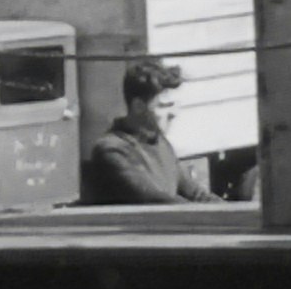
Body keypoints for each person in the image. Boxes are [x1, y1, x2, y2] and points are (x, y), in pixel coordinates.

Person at [81, 57, 213, 206]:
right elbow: (160, 202)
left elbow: (196, 194)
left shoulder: (160, 143)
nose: (174, 113)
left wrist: (237, 212)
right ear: (138, 106)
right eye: (164, 106)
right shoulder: (111, 151)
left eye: (174, 105)